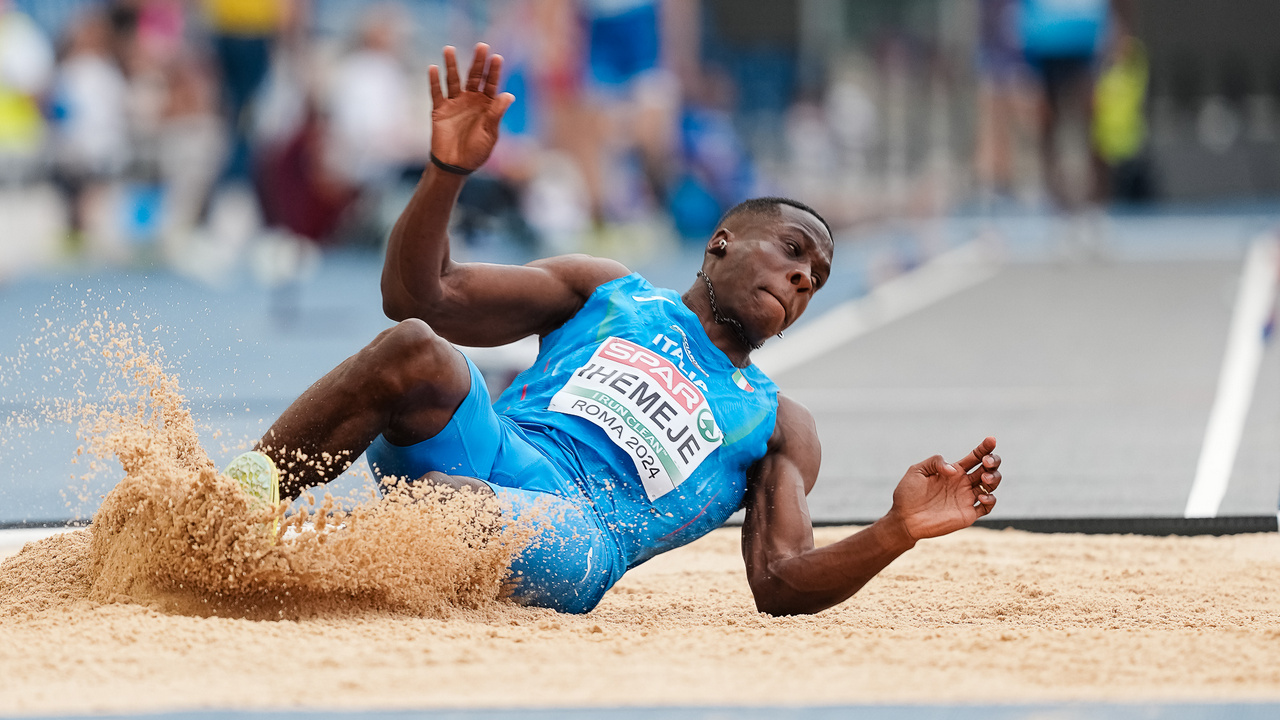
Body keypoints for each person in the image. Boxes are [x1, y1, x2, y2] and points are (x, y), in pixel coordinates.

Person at [225, 44, 1004, 616]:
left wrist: (895, 530)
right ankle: (231, 507)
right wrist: (445, 174)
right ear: (721, 244)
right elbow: (416, 294)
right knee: (415, 350)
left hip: (580, 528)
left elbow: (778, 579)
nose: (804, 279)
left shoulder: (777, 426)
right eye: (794, 253)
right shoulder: (605, 291)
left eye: (817, 279)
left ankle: (290, 575)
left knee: (456, 504)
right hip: (498, 441)